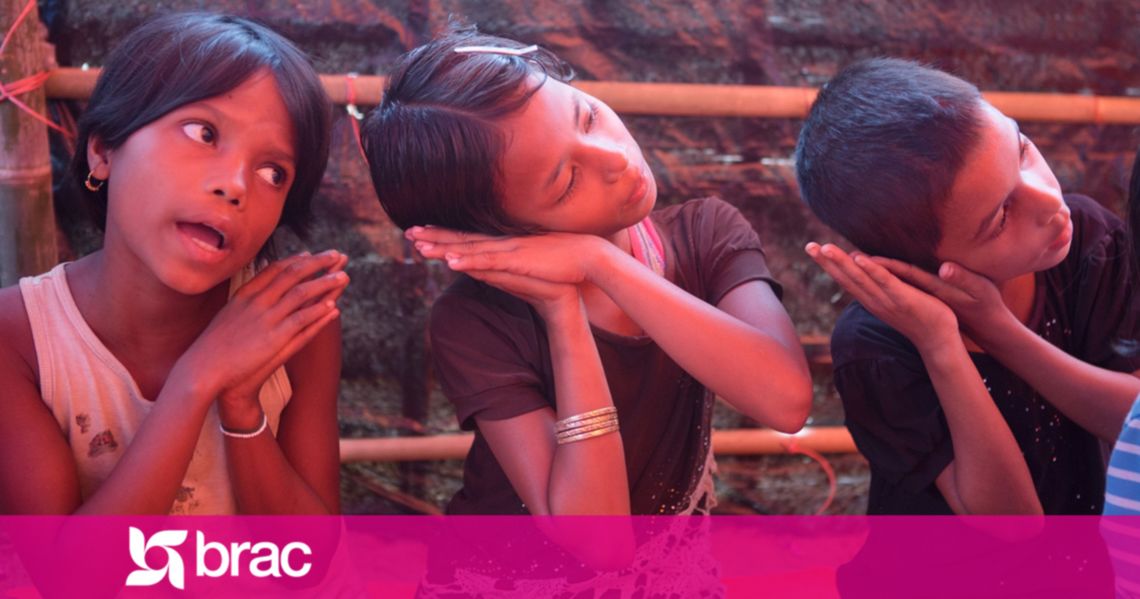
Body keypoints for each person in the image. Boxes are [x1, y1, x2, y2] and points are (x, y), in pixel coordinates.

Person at [361, 29, 812, 517]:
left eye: (588, 116)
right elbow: (597, 542)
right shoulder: (476, 320)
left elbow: (785, 402)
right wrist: (562, 311)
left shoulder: (706, 233)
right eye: (567, 181)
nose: (616, 158)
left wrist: (601, 263)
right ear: (499, 232)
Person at [0, 12, 347, 514]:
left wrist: (242, 408)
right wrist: (198, 378)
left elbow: (309, 554)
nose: (236, 184)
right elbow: (64, 563)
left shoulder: (294, 325)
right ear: (103, 150)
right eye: (203, 133)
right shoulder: (18, 338)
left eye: (273, 172)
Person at [796, 58, 1140, 514]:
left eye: (1022, 149)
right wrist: (940, 343)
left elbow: (1131, 423)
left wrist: (999, 331)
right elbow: (1014, 524)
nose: (1049, 202)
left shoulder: (1090, 243)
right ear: (919, 263)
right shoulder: (874, 348)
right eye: (1000, 218)